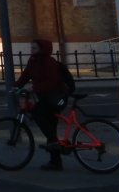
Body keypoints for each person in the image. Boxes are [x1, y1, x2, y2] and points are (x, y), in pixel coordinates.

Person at [16, 38, 76, 170]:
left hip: (57, 98)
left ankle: (54, 144)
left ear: (42, 49)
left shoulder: (49, 62)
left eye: (35, 48)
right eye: (31, 48)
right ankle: (55, 161)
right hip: (46, 98)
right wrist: (16, 86)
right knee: (50, 127)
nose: (32, 50)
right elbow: (26, 75)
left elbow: (53, 82)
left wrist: (34, 88)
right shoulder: (33, 61)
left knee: (39, 114)